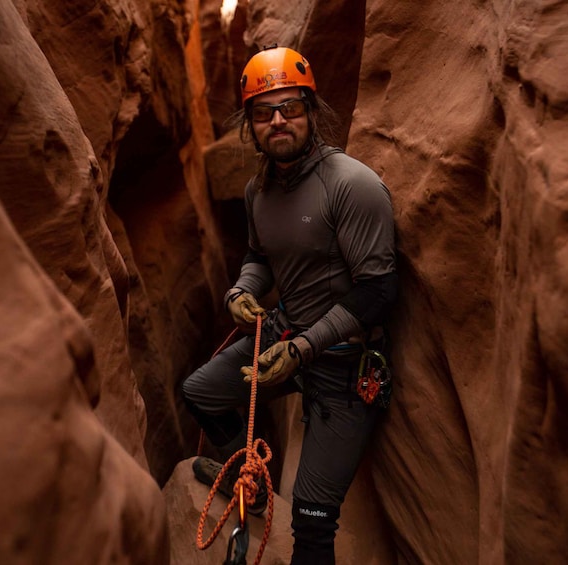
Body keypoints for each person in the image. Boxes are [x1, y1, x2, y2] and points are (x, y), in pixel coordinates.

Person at [183, 45, 397, 565]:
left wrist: (304, 348)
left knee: (313, 523)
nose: (278, 120)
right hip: (285, 339)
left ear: (311, 111)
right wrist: (241, 290)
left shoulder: (351, 186)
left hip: (343, 370)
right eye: (263, 112)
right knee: (199, 392)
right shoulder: (260, 190)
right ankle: (248, 484)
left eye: (290, 108)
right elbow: (261, 255)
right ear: (250, 124)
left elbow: (378, 291)